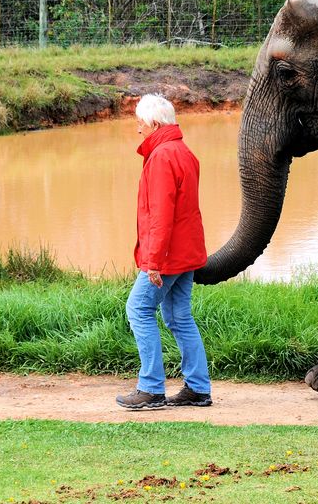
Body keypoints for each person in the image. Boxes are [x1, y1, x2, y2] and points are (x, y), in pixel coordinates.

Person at [116, 94, 212, 410]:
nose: (137, 129)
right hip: (186, 253)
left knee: (138, 309)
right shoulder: (183, 151)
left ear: (154, 123)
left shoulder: (161, 157)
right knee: (179, 316)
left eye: (140, 123)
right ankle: (198, 389)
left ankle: (151, 388)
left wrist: (153, 262)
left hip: (168, 256)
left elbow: (160, 215)